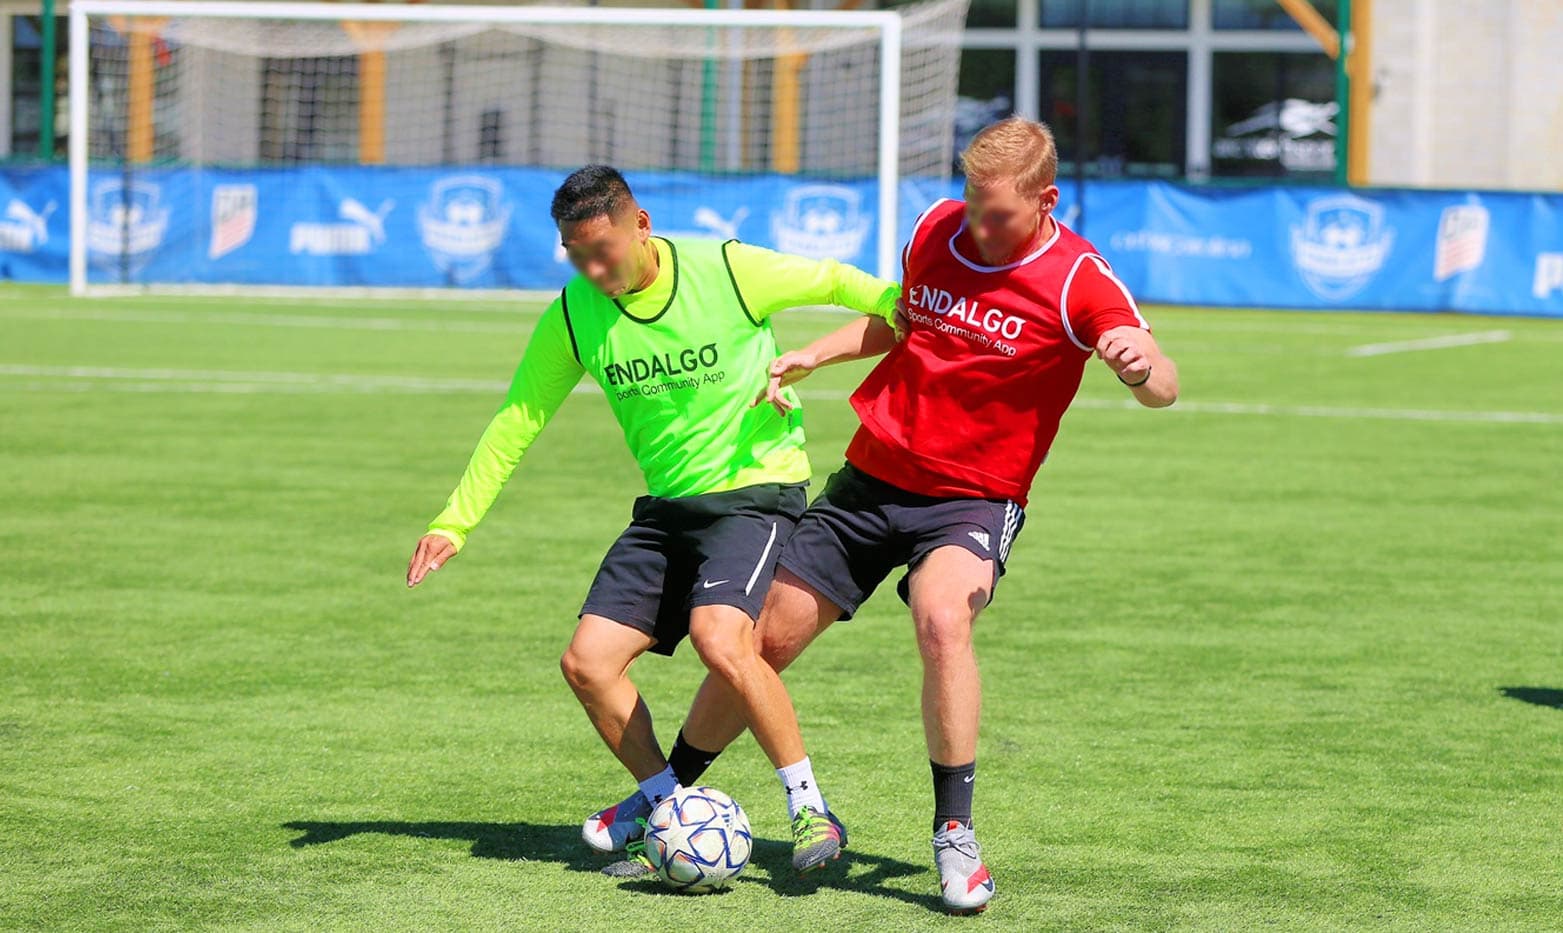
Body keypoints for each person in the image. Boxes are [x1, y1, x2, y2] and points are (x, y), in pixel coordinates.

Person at [600, 117, 1179, 912]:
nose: (978, 226)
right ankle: (669, 801)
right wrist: (818, 352)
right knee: (757, 643)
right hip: (869, 481)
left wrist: (1139, 367)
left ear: (1046, 201)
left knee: (942, 619)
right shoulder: (937, 228)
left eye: (998, 214)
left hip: (973, 497)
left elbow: (1161, 381)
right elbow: (901, 320)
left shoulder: (1079, 277)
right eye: (971, 205)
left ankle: (954, 835)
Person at [406, 164, 899, 874]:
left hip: (754, 494)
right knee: (586, 663)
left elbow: (841, 282)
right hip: (667, 509)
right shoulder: (573, 313)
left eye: (603, 250)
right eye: (577, 256)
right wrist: (455, 522)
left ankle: (810, 807)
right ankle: (667, 805)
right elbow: (519, 418)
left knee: (720, 638)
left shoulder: (726, 269)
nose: (593, 269)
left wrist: (878, 321)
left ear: (641, 225)